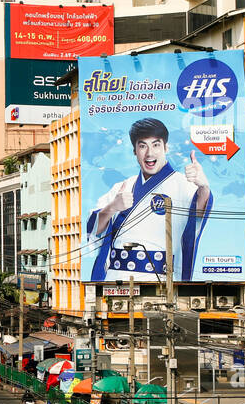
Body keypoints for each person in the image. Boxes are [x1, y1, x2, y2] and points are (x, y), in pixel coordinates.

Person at [87, 118, 212, 284]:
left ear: (166, 147)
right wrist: (112, 207)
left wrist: (204, 187)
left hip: (159, 280)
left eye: (156, 145)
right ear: (134, 151)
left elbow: (198, 211)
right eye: (142, 146)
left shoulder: (184, 185)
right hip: (115, 277)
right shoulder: (123, 186)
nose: (149, 153)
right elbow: (94, 230)